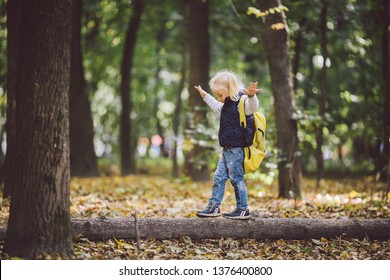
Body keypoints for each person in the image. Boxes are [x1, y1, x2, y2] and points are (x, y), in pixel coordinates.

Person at [194, 70, 261, 219]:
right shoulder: (226, 105)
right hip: (226, 149)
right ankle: (214, 207)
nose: (219, 98)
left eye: (220, 94)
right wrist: (204, 94)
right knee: (218, 177)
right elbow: (214, 105)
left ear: (230, 88)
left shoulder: (242, 102)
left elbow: (252, 108)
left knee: (236, 179)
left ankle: (242, 209)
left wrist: (251, 95)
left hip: (236, 149)